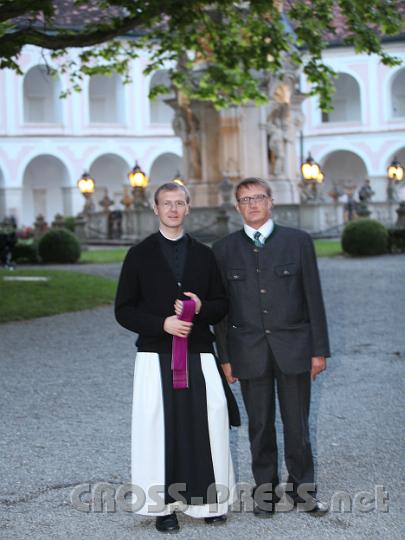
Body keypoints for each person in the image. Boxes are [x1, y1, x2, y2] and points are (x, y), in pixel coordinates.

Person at [115, 182, 238, 533]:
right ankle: (162, 506)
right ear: (155, 209)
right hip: (156, 355)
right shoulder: (138, 255)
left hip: (199, 353)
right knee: (158, 428)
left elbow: (221, 305)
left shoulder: (203, 254)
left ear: (188, 208)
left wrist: (200, 308)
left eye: (179, 203)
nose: (172, 209)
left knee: (209, 422)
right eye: (166, 203)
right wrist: (161, 324)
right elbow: (123, 310)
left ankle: (210, 501)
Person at [213, 177, 330, 517]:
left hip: (294, 348)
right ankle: (265, 494)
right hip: (248, 351)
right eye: (245, 199)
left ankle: (303, 491)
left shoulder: (298, 242)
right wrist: (226, 358)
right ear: (237, 207)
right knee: (260, 426)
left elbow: (314, 299)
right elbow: (221, 313)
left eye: (258, 197)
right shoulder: (223, 249)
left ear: (271, 201)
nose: (252, 204)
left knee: (297, 425)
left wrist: (318, 349)